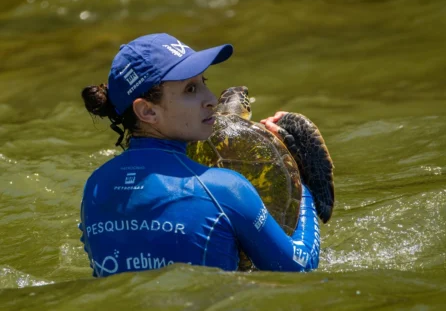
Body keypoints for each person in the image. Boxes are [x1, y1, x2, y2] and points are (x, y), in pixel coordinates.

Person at [79, 33, 320, 277]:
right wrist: (303, 181)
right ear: (147, 110)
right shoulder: (225, 190)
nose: (212, 99)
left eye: (204, 81)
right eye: (191, 89)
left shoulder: (95, 187)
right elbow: (300, 266)